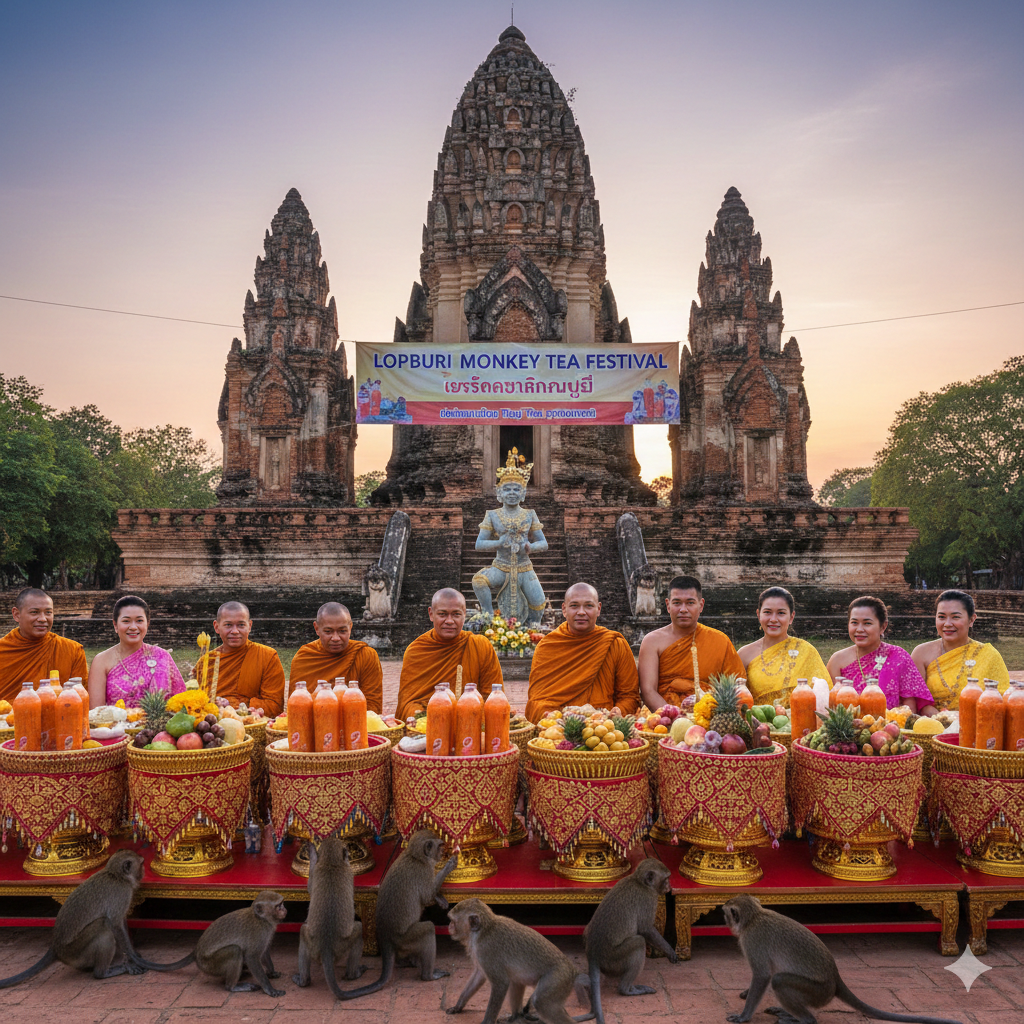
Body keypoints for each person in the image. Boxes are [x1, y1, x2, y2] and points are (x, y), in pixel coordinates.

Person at [526, 583, 639, 722]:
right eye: (574, 606)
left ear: (598, 609)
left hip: (603, 728)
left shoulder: (615, 644)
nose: (581, 612)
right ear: (564, 609)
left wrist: (616, 713)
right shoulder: (547, 646)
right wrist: (553, 719)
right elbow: (537, 700)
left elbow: (630, 697)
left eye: (588, 606)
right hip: (558, 728)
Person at [395, 588, 502, 722]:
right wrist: (426, 719)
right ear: (431, 614)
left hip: (471, 723)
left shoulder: (480, 646)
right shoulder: (416, 651)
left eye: (456, 614)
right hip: (428, 725)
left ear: (465, 615)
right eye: (442, 614)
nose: (449, 621)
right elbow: (408, 702)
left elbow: (493, 697)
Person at [638, 576, 744, 709]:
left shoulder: (720, 641)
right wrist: (673, 717)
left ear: (701, 605)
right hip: (664, 719)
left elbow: (737, 688)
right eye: (677, 603)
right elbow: (648, 691)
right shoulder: (652, 642)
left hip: (711, 717)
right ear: (668, 605)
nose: (683, 609)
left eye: (690, 603)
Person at [826, 596, 934, 713]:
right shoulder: (837, 661)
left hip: (893, 727)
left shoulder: (899, 657)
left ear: (883, 626)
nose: (859, 629)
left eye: (867, 623)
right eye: (854, 623)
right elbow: (830, 707)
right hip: (850, 729)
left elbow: (910, 708)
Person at [912, 589, 1010, 710]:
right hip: (934, 725)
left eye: (955, 617)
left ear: (971, 620)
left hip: (979, 724)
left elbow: (1002, 700)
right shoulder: (921, 654)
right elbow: (916, 701)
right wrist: (944, 720)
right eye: (941, 617)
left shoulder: (988, 655)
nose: (947, 624)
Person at [87, 595, 186, 708]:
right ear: (115, 625)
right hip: (116, 725)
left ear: (147, 624)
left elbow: (181, 704)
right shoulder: (101, 661)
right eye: (126, 621)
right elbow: (96, 713)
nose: (133, 627)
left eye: (139, 620)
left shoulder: (162, 657)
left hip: (161, 725)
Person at [738, 587, 831, 706]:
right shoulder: (745, 655)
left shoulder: (805, 651)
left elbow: (823, 696)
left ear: (791, 617)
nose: (773, 619)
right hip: (758, 723)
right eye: (767, 612)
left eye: (781, 613)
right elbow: (738, 699)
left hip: (801, 721)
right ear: (758, 614)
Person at [192, 601, 285, 717]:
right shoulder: (206, 662)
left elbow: (275, 706)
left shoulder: (267, 656)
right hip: (210, 727)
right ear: (217, 627)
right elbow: (194, 703)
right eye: (228, 625)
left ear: (249, 626)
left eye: (241, 625)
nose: (235, 631)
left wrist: (238, 705)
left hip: (252, 726)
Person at [288, 602, 383, 714]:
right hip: (313, 726)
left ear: (350, 627)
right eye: (328, 631)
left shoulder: (365, 655)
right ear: (317, 628)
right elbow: (296, 708)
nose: (336, 638)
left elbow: (372, 708)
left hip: (355, 726)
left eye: (342, 631)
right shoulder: (304, 658)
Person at [0, 588, 88, 705]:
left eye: (48, 612)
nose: (43, 619)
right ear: (16, 615)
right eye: (34, 612)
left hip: (60, 720)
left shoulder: (72, 650)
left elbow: (81, 699)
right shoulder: (3, 650)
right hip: (7, 721)